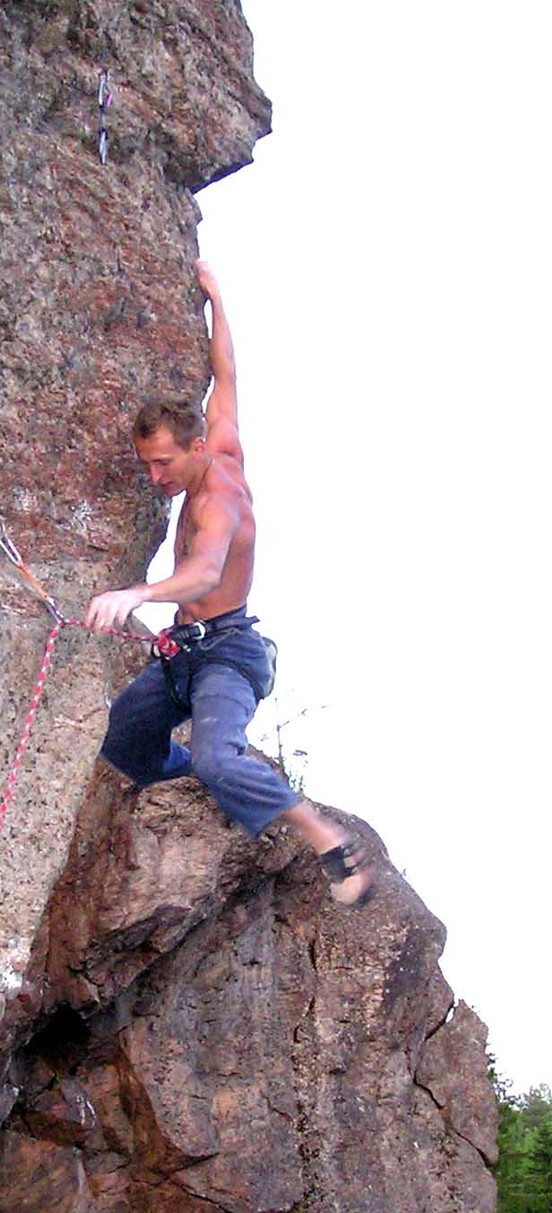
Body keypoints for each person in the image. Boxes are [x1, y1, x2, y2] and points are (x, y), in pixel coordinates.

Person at [85, 261, 374, 905]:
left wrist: (137, 594)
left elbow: (206, 572)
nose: (155, 477)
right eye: (147, 464)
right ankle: (204, 783)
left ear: (194, 449)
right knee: (122, 738)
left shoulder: (221, 499)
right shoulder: (220, 440)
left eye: (164, 463)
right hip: (182, 654)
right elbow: (227, 376)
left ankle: (326, 838)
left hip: (227, 654)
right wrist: (216, 300)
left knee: (218, 758)